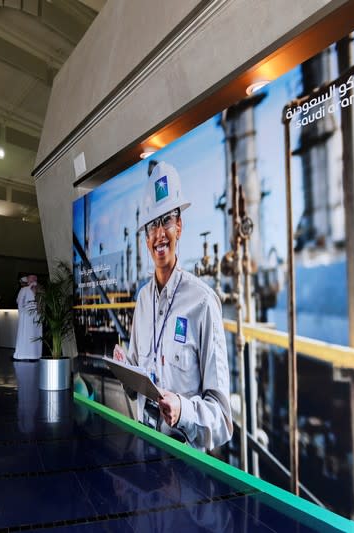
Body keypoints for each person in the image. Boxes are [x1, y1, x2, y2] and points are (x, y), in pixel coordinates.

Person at [113, 160, 232, 451]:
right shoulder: (142, 301)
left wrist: (182, 411)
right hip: (144, 447)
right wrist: (125, 370)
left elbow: (222, 420)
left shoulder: (202, 302)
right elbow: (136, 390)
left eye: (166, 221)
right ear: (145, 237)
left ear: (179, 226)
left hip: (184, 460)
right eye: (152, 225)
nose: (159, 234)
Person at [13, 274, 41, 361]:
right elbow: (19, 301)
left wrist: (40, 310)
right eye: (30, 279)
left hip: (37, 315)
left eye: (33, 279)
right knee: (27, 334)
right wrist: (22, 313)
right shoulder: (24, 289)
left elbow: (42, 301)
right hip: (27, 315)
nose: (32, 281)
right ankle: (24, 354)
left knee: (36, 334)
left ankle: (35, 354)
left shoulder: (39, 289)